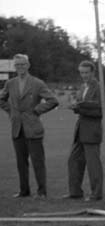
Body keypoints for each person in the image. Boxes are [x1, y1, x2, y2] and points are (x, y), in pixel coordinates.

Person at [0, 53, 58, 199]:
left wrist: (37, 110)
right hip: (17, 128)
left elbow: (53, 100)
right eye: (17, 64)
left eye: (23, 64)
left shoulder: (37, 83)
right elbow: (1, 99)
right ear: (14, 66)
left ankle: (42, 192)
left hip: (33, 127)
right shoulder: (10, 83)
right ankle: (24, 191)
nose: (20, 67)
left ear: (28, 65)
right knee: (21, 162)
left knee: (38, 161)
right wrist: (11, 111)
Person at [64, 60, 103, 201]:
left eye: (86, 72)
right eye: (81, 73)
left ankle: (96, 194)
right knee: (73, 161)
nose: (84, 75)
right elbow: (81, 107)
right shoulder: (82, 87)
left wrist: (79, 108)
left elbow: (100, 111)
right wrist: (75, 108)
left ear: (93, 72)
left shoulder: (99, 87)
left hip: (92, 131)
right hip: (80, 130)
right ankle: (75, 192)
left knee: (93, 164)